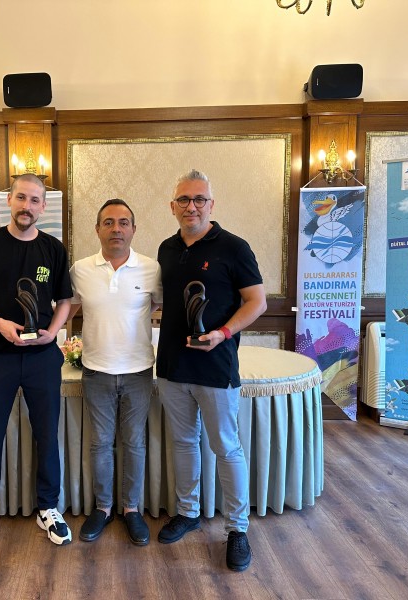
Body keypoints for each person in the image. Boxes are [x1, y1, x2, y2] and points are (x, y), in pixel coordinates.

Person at [0, 173, 73, 552]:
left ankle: (48, 508)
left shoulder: (53, 249)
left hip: (42, 359)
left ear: (43, 207)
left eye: (35, 200)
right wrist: (0, 324)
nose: (27, 206)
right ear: (9, 200)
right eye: (21, 198)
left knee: (47, 436)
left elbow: (65, 301)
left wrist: (54, 331)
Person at [155, 169, 266, 572]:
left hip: (217, 367)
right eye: (184, 200)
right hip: (172, 366)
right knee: (184, 443)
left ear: (211, 205)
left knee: (226, 447)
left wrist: (223, 333)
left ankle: (237, 529)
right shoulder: (166, 249)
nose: (192, 206)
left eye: (199, 199)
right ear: (173, 207)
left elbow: (257, 302)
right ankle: (188, 512)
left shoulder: (234, 247)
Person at [69, 199, 162, 546]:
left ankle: (131, 509)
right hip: (96, 371)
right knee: (100, 444)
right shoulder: (80, 269)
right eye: (108, 222)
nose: (116, 229)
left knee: (134, 443)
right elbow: (67, 310)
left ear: (134, 229)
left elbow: (160, 306)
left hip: (138, 372)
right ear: (97, 229)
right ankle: (103, 508)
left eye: (124, 222)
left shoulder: (151, 268)